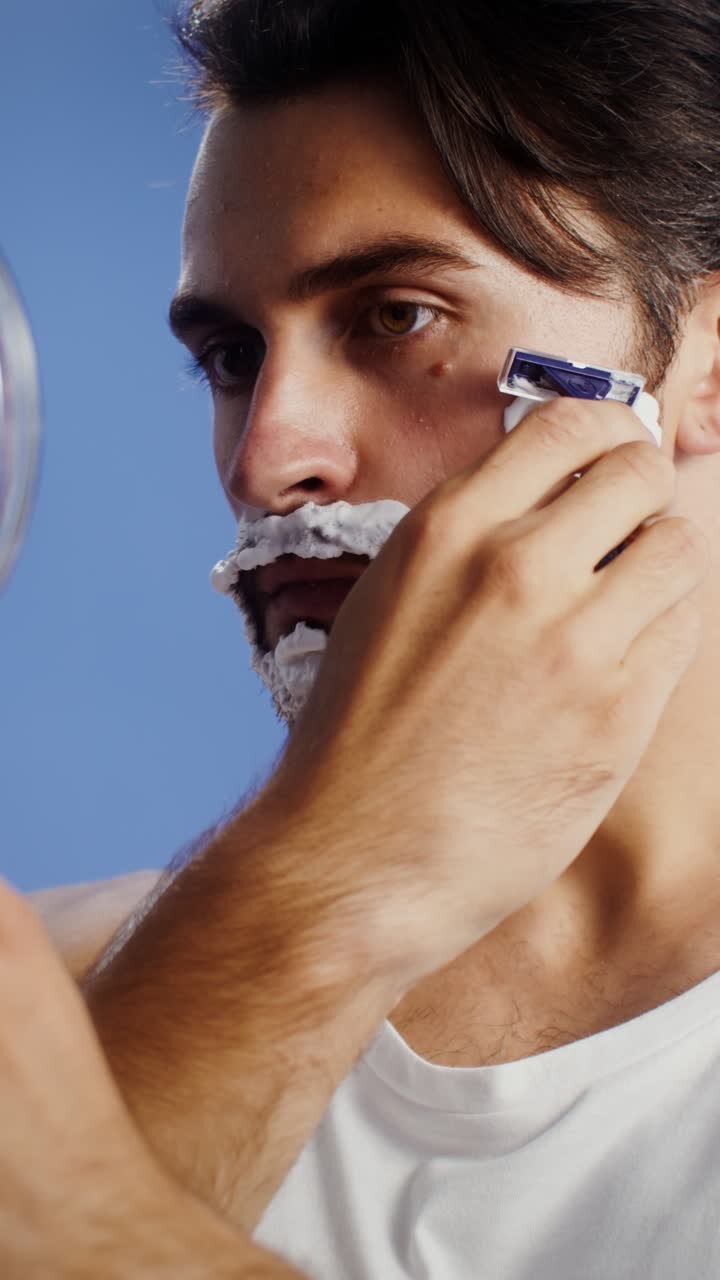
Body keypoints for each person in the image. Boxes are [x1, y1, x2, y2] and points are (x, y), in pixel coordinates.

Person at [20, 0, 720, 1275]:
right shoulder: (48, 1002)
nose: (267, 455)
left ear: (711, 366)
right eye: (233, 356)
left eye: (393, 316)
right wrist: (321, 890)